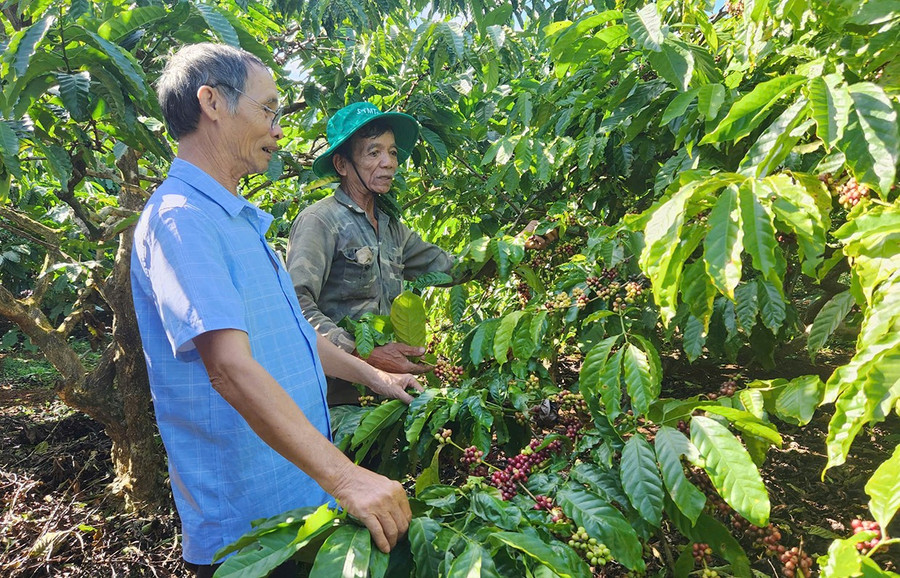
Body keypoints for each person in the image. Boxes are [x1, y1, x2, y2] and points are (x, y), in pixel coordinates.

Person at [130, 43, 420, 576]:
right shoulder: (182, 220)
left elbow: (292, 336)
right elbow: (229, 368)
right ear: (212, 102)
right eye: (269, 110)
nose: (279, 130)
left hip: (299, 499)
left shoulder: (239, 221)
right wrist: (347, 477)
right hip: (251, 527)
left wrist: (376, 378)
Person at [286, 102, 556, 406]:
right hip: (333, 396)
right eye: (374, 153)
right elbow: (296, 308)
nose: (388, 162)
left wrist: (514, 244)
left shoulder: (392, 230)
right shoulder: (320, 221)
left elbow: (451, 269)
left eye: (392, 152)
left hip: (386, 393)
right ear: (342, 165)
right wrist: (364, 352)